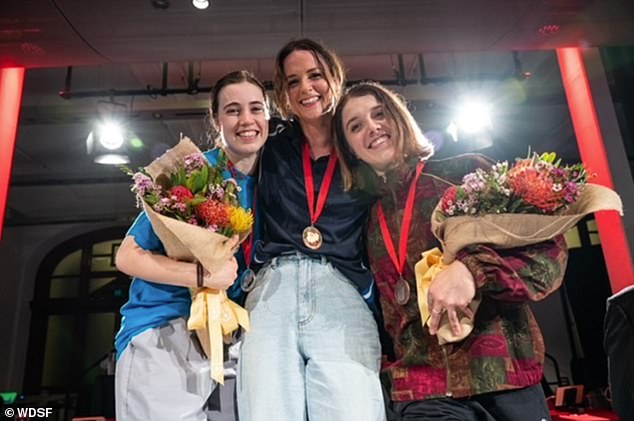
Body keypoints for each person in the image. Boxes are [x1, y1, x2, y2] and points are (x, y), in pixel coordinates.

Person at [333, 81, 569, 421]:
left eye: (379, 114)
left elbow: (550, 252)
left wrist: (472, 271)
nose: (372, 127)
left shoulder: (464, 174)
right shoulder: (363, 220)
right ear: (351, 148)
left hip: (506, 376)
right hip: (422, 389)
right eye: (356, 126)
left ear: (399, 118)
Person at [236, 39, 386, 421]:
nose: (306, 88)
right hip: (272, 289)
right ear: (284, 93)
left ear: (333, 76)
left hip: (341, 288)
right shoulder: (270, 144)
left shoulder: (360, 145)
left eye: (315, 75)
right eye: (293, 81)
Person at [114, 69, 269, 421]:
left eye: (256, 108)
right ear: (217, 120)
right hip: (165, 333)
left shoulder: (274, 178)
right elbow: (127, 256)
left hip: (230, 342)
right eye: (233, 110)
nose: (247, 120)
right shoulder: (195, 172)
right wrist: (201, 274)